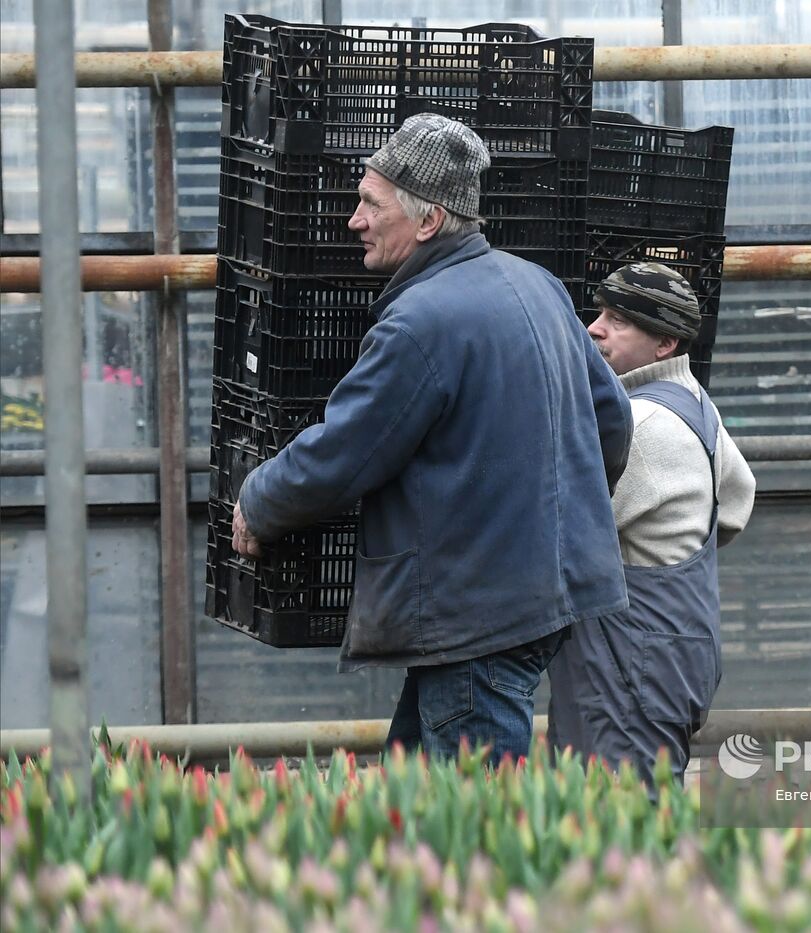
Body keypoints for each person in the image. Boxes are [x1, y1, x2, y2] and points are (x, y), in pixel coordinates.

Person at [231, 113, 633, 766]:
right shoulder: (539, 286)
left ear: (427, 220)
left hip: (476, 615)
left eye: (369, 202)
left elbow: (343, 453)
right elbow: (612, 425)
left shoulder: (420, 323)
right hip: (543, 597)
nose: (353, 220)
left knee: (476, 830)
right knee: (414, 788)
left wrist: (259, 499)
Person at [547, 262, 756, 788]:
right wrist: (666, 539)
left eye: (617, 320)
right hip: (674, 650)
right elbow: (735, 503)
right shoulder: (697, 406)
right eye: (600, 313)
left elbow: (562, 527)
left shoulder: (642, 423)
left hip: (627, 663)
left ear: (664, 343)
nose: (594, 328)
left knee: (618, 823)